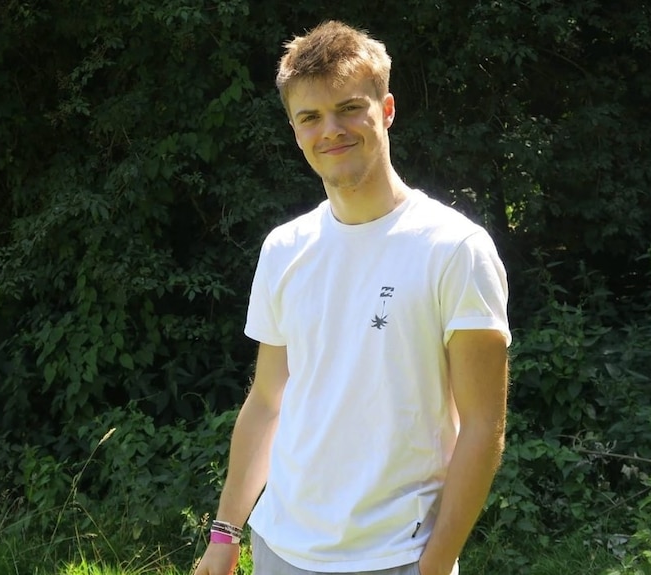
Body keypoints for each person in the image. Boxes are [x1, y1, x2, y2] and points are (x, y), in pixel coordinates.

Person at [193, 20, 510, 575]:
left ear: (386, 111)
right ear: (294, 130)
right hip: (279, 550)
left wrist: (434, 566)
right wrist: (225, 534)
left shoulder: (456, 248)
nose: (331, 130)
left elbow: (484, 427)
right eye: (310, 117)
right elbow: (268, 401)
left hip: (398, 558)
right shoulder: (284, 248)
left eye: (349, 108)